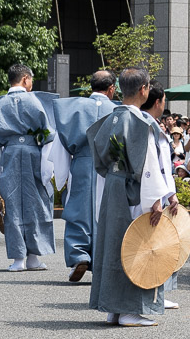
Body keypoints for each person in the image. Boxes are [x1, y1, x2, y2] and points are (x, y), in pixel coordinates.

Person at [87, 67, 179, 328]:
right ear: (143, 89)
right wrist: (155, 200)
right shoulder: (140, 122)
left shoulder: (108, 120)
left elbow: (100, 162)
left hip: (112, 187)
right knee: (136, 245)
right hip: (134, 189)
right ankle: (129, 310)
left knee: (114, 243)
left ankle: (112, 308)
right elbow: (149, 164)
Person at [0, 63, 60, 272]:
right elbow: (50, 139)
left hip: (10, 153)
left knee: (12, 205)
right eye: (31, 79)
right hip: (34, 154)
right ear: (25, 79)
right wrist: (48, 171)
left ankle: (18, 259)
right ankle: (33, 257)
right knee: (37, 204)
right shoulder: (39, 102)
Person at [51, 70, 117, 281]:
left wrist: (61, 178)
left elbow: (60, 146)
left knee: (78, 208)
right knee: (106, 212)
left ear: (91, 86)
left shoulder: (72, 108)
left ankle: (79, 254)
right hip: (109, 167)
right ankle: (102, 260)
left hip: (81, 161)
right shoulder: (119, 110)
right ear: (111, 88)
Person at [141, 85, 182, 310]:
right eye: (164, 100)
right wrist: (161, 196)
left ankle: (159, 292)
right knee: (155, 245)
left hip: (158, 191)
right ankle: (156, 294)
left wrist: (170, 193)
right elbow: (155, 166)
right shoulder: (147, 125)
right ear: (157, 102)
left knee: (159, 244)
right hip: (152, 193)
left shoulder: (154, 125)